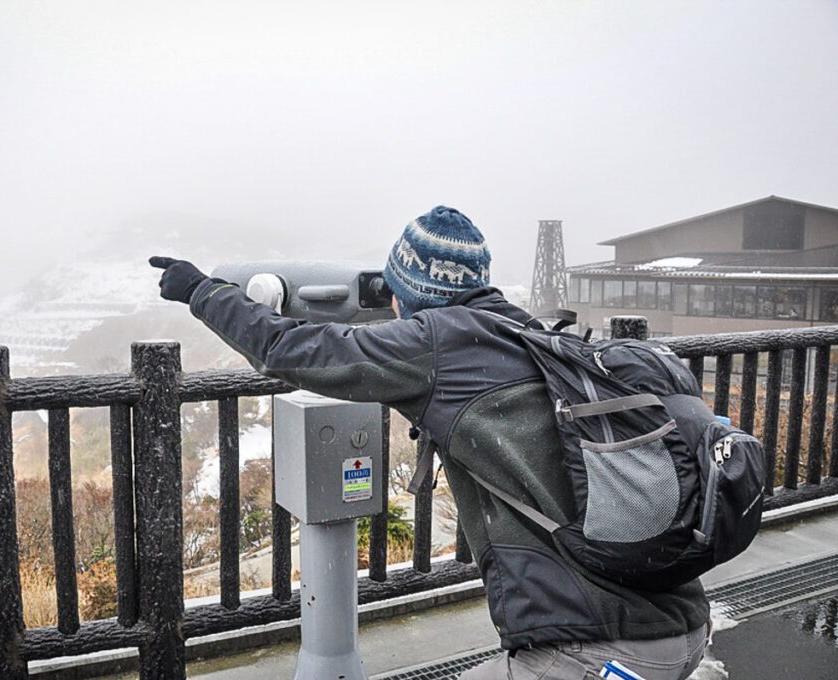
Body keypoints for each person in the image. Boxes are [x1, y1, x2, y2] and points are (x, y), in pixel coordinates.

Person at [149, 206, 710, 680]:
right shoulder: (528, 332)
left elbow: (294, 350)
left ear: (410, 296)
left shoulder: (439, 346)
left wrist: (202, 291)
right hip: (680, 623)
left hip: (593, 653)